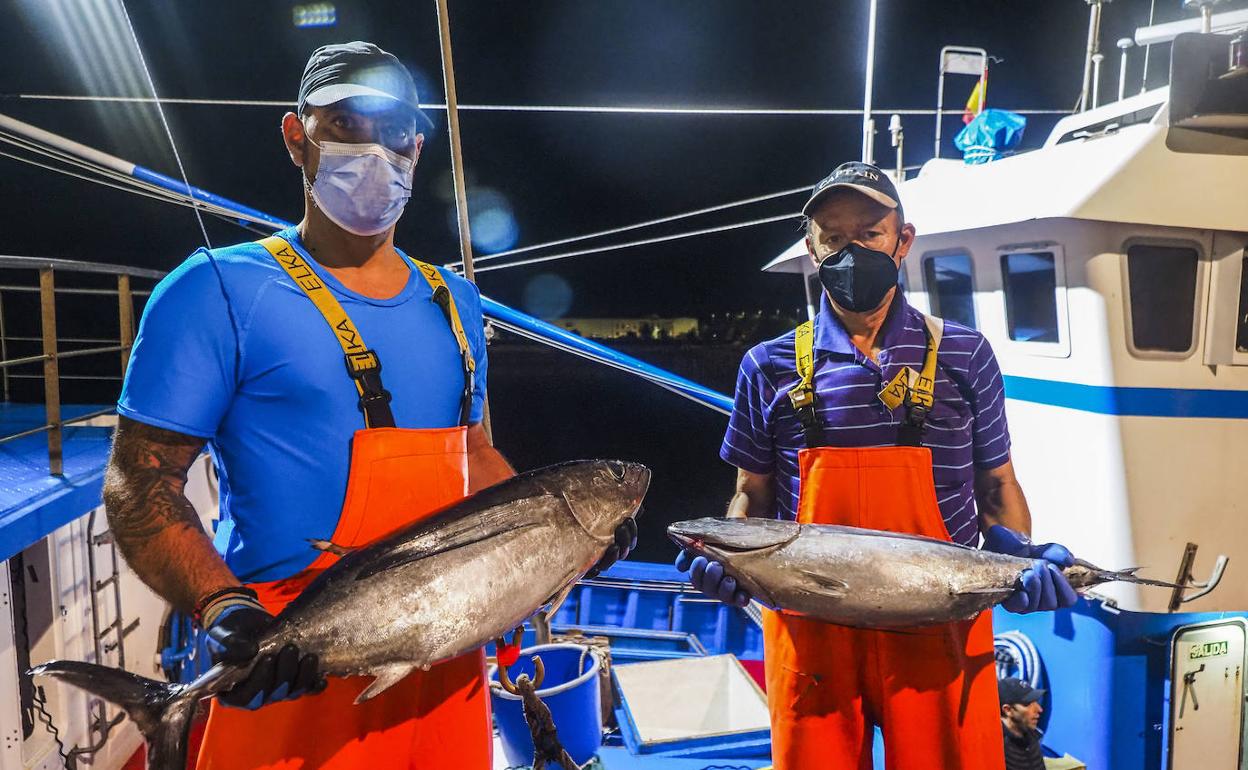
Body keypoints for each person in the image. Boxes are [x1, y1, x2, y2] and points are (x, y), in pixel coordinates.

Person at [103, 42, 634, 769]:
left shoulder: (453, 298)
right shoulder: (216, 290)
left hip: (443, 661)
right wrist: (225, 609)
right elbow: (141, 484)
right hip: (287, 663)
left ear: (416, 148)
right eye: (347, 125)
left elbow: (471, 455)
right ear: (298, 137)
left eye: (393, 133)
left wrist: (564, 540)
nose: (373, 151)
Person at [674, 161, 1078, 770]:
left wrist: (1019, 562)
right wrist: (731, 565)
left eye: (869, 234)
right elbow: (750, 499)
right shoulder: (768, 365)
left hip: (938, 626)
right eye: (833, 237)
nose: (850, 250)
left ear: (903, 240)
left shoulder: (965, 355)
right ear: (811, 248)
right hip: (811, 630)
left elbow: (997, 487)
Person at [999, 677, 1047, 770]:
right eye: (1028, 704)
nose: (1039, 709)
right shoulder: (995, 749)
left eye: (1035, 702)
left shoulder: (1033, 737)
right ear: (1008, 710)